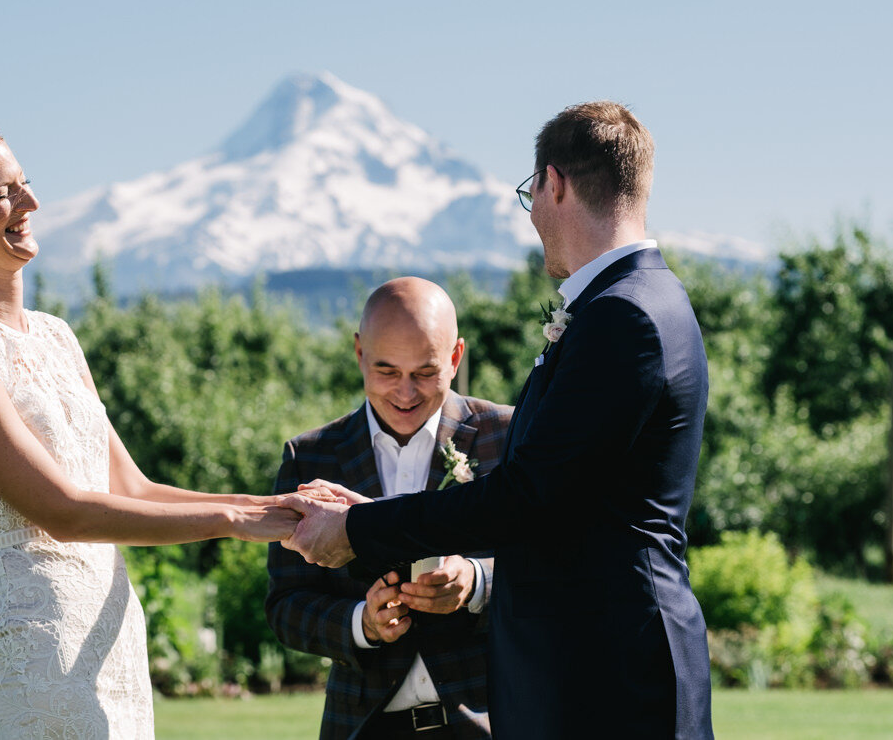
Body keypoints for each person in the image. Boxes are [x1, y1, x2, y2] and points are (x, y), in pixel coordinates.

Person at [284, 102, 715, 739]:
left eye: (530, 195)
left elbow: (526, 497)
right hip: (588, 663)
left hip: (607, 673)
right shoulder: (635, 301)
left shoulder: (624, 316)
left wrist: (359, 527)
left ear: (555, 183)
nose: (534, 215)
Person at [0, 118, 299, 739]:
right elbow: (65, 512)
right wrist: (232, 523)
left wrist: (270, 507)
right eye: (2, 195)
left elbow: (131, 488)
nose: (31, 204)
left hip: (110, 636)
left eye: (24, 184)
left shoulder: (56, 336)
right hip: (36, 654)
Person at [266, 278, 512, 739]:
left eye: (424, 372)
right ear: (359, 353)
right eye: (386, 371)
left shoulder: (508, 434)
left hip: (490, 722)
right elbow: (286, 605)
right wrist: (361, 623)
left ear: (455, 357)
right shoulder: (312, 456)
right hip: (363, 726)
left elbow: (557, 562)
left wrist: (478, 582)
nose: (405, 393)